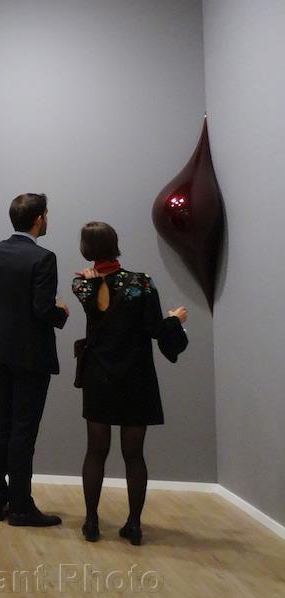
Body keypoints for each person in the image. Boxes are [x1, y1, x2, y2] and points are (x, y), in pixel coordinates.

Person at [71, 222, 189, 545]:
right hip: (136, 377)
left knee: (95, 451)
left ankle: (91, 522)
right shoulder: (142, 283)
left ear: (86, 249)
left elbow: (96, 299)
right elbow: (155, 331)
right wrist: (175, 320)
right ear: (115, 243)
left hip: (98, 377)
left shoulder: (81, 285)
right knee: (134, 455)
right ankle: (134, 525)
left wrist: (94, 280)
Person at [0, 194, 71, 527]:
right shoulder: (43, 258)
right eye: (47, 214)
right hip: (31, 357)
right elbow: (42, 309)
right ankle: (20, 506)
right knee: (23, 431)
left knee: (0, 424)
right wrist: (62, 312)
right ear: (39, 219)